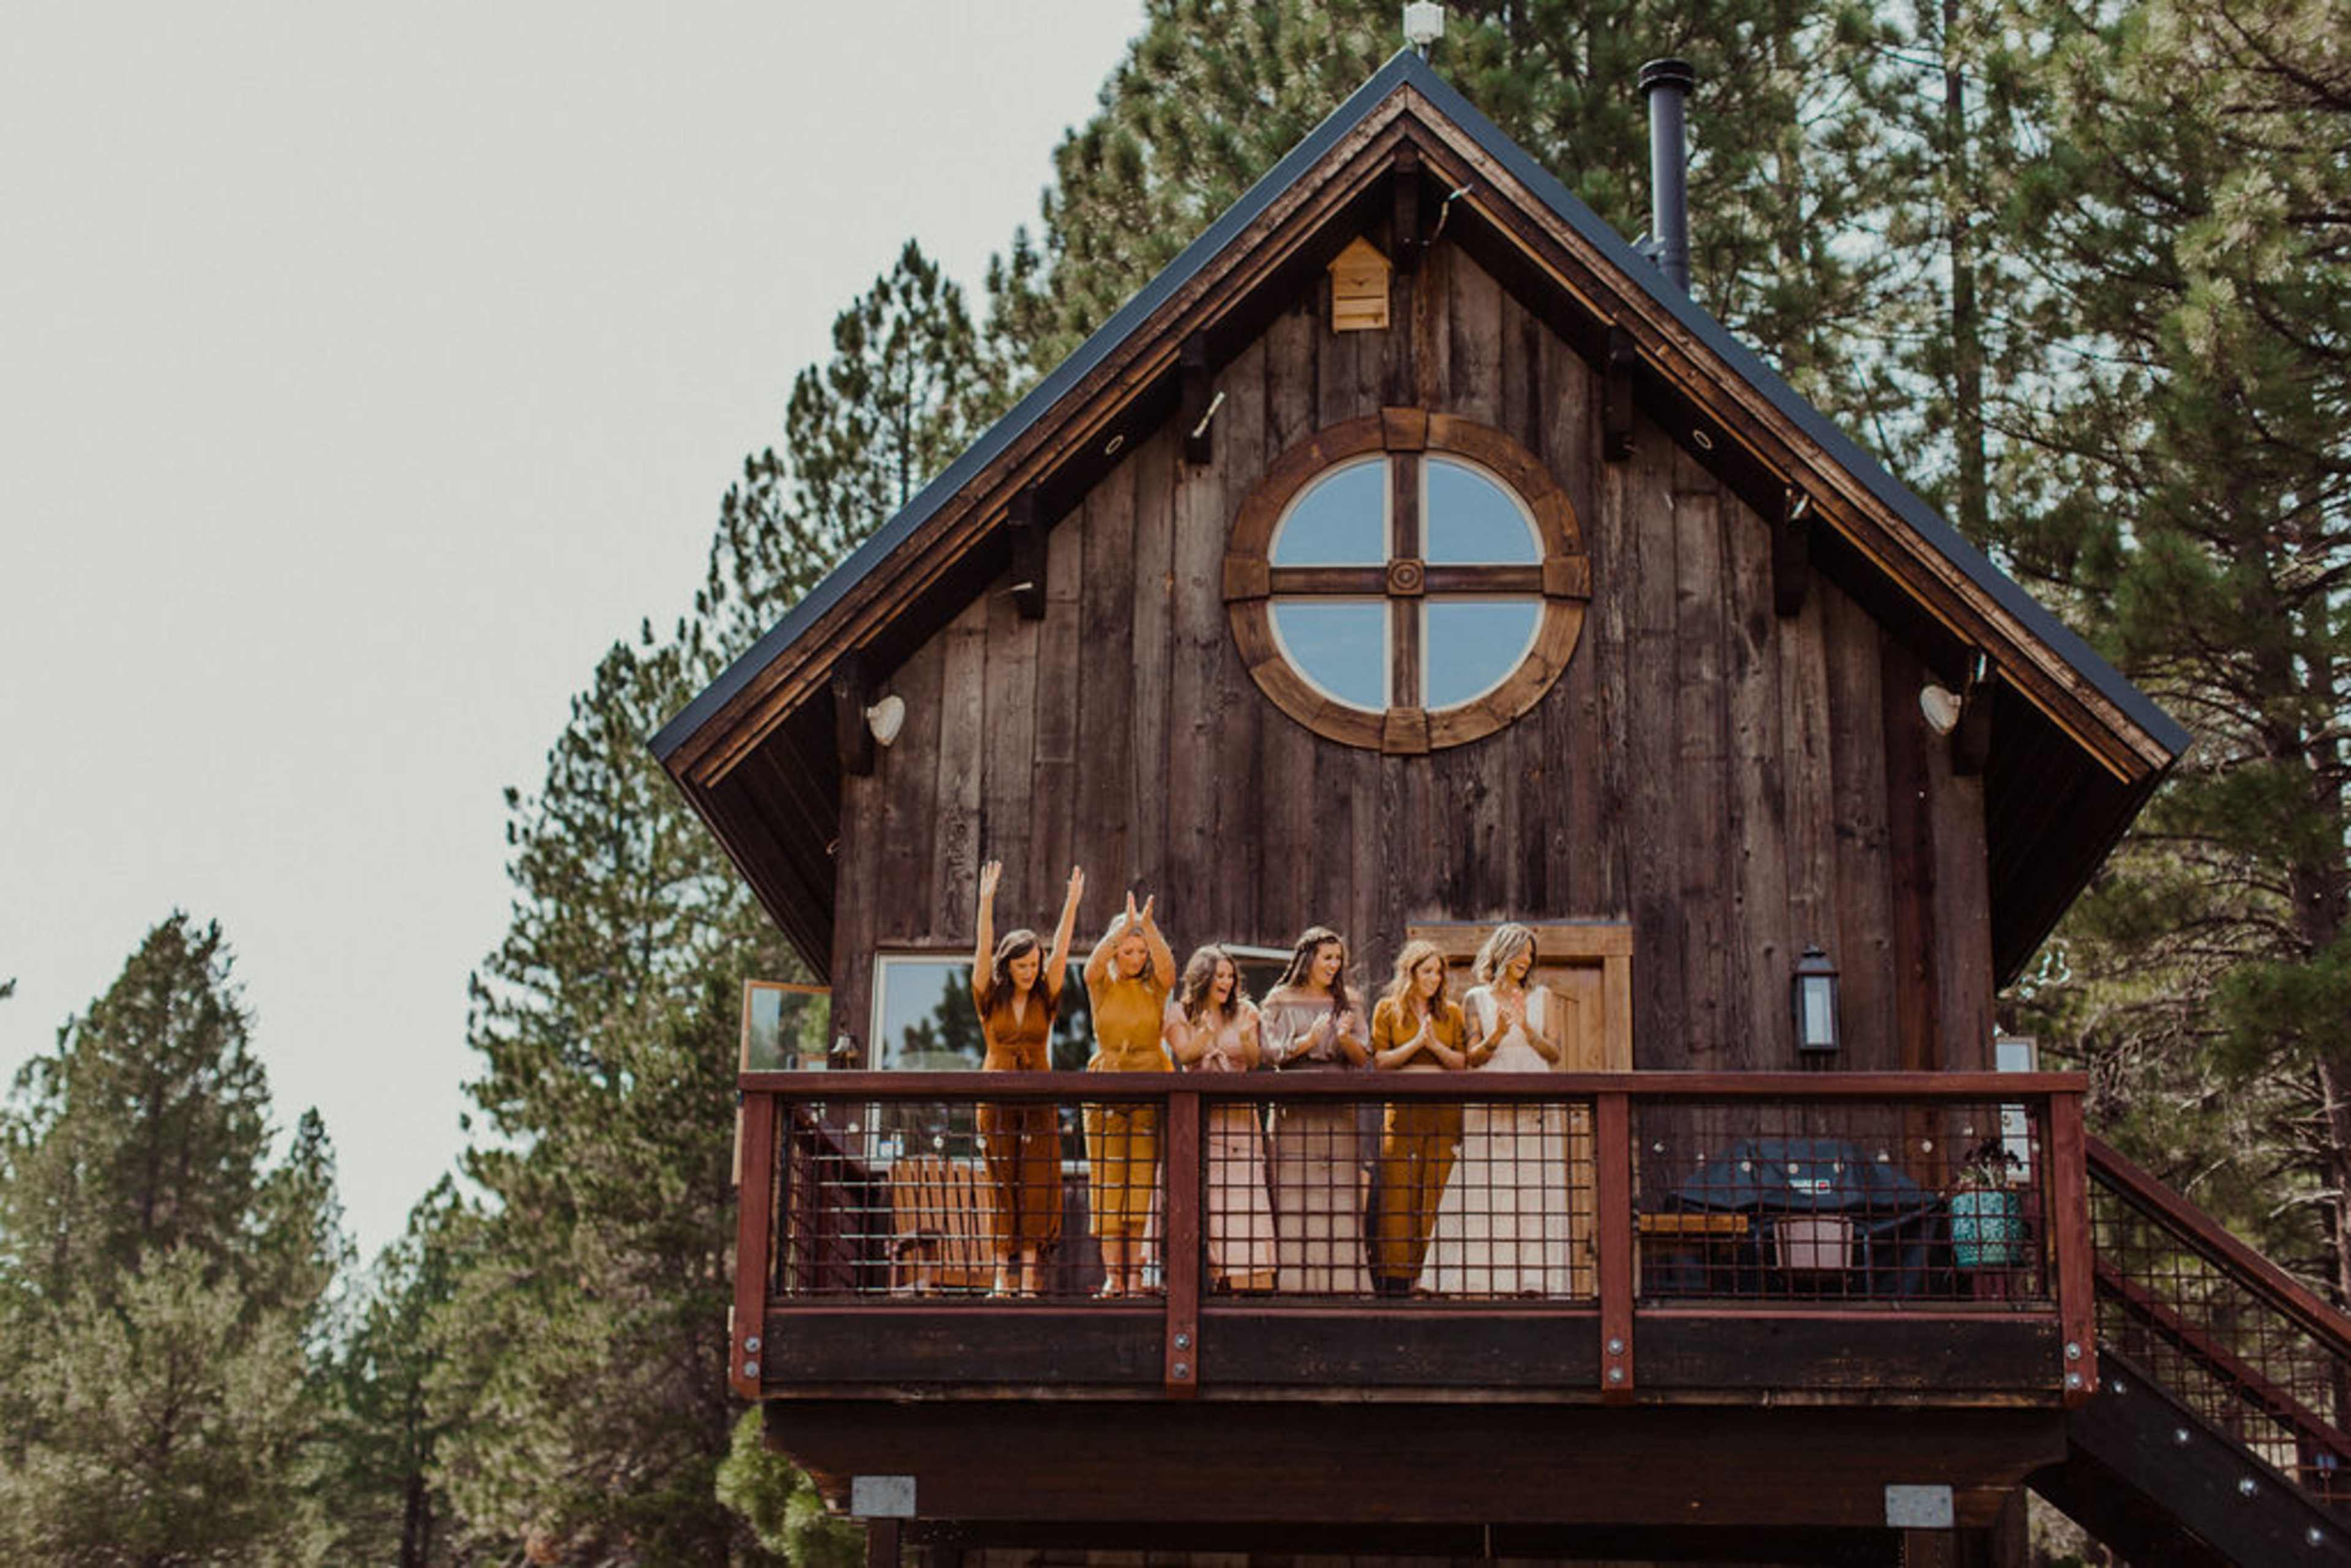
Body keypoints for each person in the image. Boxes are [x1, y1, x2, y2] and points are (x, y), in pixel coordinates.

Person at [1419, 922, 1573, 1297]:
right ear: (1502, 952)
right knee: (1489, 1179)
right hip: (1491, 1090)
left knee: (1532, 1182)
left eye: (1530, 954)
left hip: (1534, 1090)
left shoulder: (1544, 997)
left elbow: (1555, 1052)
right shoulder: (1477, 998)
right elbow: (1472, 1056)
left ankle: (1534, 1280)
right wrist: (1498, 1036)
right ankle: (1478, 1277)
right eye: (1520, 952)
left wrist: (1526, 1030)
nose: (1526, 959)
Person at [972, 860, 1084, 1296]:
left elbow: (1063, 949)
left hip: (1039, 1095)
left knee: (1036, 1178)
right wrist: (986, 903)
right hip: (996, 1093)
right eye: (1023, 965)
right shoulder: (989, 997)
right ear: (1010, 965)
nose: (1031, 971)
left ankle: (1031, 1273)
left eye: (1035, 964)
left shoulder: (1046, 997)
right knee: (1002, 1179)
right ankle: (1003, 1273)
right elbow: (982, 953)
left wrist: (1071, 903)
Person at [1259, 926, 1371, 1294]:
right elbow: (1268, 1053)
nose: (1334, 965)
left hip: (1338, 1110)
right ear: (1308, 959)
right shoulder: (1279, 999)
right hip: (1294, 1110)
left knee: (1339, 1193)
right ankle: (1296, 1285)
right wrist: (1307, 1041)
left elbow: (1362, 1056)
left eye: (1338, 959)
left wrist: (1341, 1038)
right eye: (1327, 958)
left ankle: (1344, 1284)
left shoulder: (1350, 1000)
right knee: (1294, 1194)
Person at [1164, 945, 1276, 1293]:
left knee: (1245, 1195)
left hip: (1240, 1120)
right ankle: (1210, 1279)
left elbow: (1256, 1061)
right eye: (1220, 975)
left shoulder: (1247, 1012)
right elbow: (1184, 1054)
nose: (1227, 982)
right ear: (1203, 979)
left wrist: (1245, 1038)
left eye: (1230, 976)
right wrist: (1205, 1036)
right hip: (1200, 1119)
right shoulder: (1179, 1012)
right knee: (1207, 1197)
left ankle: (1251, 1279)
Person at [1082, 890, 1177, 1297]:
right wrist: (1122, 927)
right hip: (1106, 1083)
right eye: (1128, 950)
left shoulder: (1155, 987)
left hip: (1148, 1081)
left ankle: (1136, 1276)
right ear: (1117, 949)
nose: (1136, 958)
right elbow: (1089, 967)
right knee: (1106, 1181)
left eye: (1141, 951)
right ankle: (1113, 1275)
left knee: (1141, 1180)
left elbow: (1170, 969)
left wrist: (1149, 928)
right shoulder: (1102, 984)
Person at [1370, 939, 1468, 1294]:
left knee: (1437, 1195)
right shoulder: (1386, 1010)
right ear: (1410, 973)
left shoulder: (1453, 1013)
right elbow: (1380, 1061)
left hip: (1444, 1117)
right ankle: (1398, 1280)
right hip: (1404, 1117)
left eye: (1439, 972)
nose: (1435, 978)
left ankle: (1431, 1280)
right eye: (1428, 971)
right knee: (1400, 1196)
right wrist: (1416, 1045)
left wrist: (1436, 1047)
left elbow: (1463, 1063)